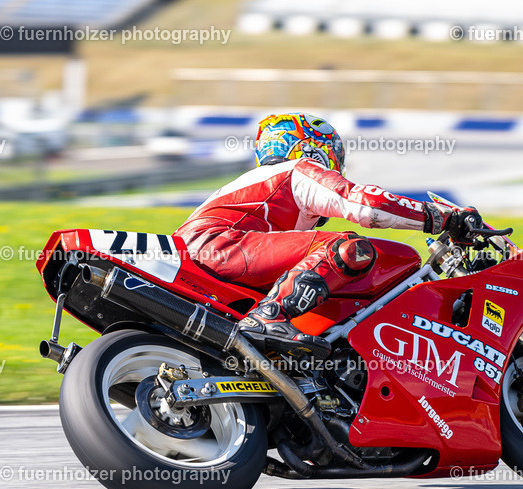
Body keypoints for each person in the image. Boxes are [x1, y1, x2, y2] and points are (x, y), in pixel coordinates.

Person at [174, 112, 482, 358]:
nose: (337, 164)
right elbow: (367, 204)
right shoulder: (298, 170)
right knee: (348, 248)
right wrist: (444, 218)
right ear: (311, 147)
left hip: (211, 253)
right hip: (217, 246)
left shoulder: (267, 193)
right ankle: (269, 316)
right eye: (334, 154)